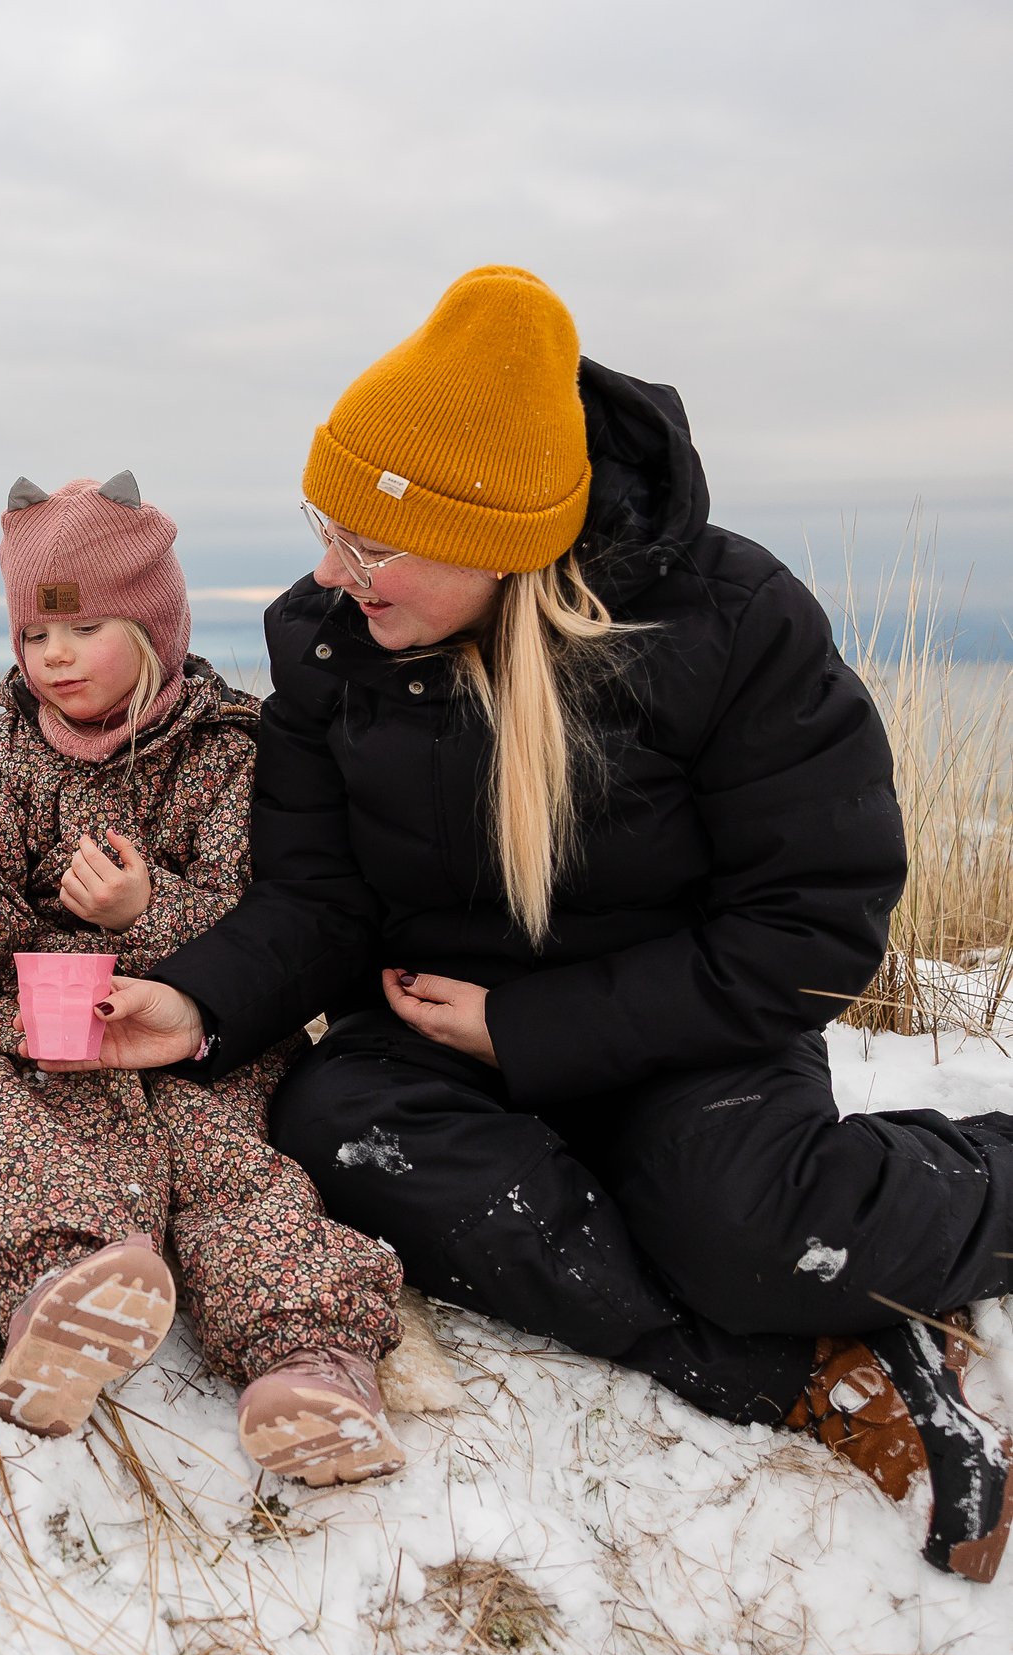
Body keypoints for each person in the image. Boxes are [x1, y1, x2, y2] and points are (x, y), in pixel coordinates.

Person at [77, 265, 1013, 1578]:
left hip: (688, 1028)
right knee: (337, 1127)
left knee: (746, 1233)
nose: (329, 571)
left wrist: (535, 1027)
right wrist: (198, 996)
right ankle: (765, 1366)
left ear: (500, 535)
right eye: (325, 525)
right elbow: (319, 898)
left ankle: (967, 1192)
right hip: (423, 1034)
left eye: (372, 542)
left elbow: (810, 925)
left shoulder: (731, 624)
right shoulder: (334, 649)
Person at [0, 475, 407, 1482]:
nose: (54, 657)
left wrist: (142, 915)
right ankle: (60, 1296)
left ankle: (309, 1354)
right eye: (33, 637)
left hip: (198, 1030)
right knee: (25, 1139)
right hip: (37, 1025)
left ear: (155, 625)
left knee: (227, 1168)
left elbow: (274, 918)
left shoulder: (232, 751)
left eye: (85, 628)